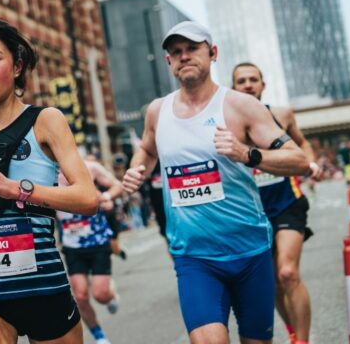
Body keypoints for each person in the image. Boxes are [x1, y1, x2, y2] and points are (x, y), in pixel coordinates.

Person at [121, 22, 309, 344]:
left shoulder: (240, 105)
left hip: (250, 251)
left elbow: (299, 160)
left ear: (212, 53)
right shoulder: (157, 111)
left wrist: (247, 154)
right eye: (176, 52)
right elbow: (147, 149)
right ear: (169, 62)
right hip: (194, 257)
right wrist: (137, 168)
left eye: (192, 49)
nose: (184, 57)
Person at [0, 17, 99, 344]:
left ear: (17, 67)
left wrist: (18, 189)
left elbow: (88, 199)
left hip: (42, 286)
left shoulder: (46, 121)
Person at [232, 62, 322, 344]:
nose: (248, 85)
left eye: (253, 79)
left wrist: (311, 163)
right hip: (252, 211)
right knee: (271, 283)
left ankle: (303, 341)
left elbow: (301, 143)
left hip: (287, 202)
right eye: (241, 81)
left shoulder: (282, 114)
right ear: (233, 88)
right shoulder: (226, 122)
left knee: (287, 271)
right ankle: (293, 334)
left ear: (263, 84)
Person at [57, 156, 124, 344]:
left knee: (100, 295)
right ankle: (99, 336)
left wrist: (106, 196)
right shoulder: (48, 175)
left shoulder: (90, 167)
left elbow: (118, 185)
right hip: (72, 245)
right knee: (80, 295)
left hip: (98, 240)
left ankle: (111, 295)